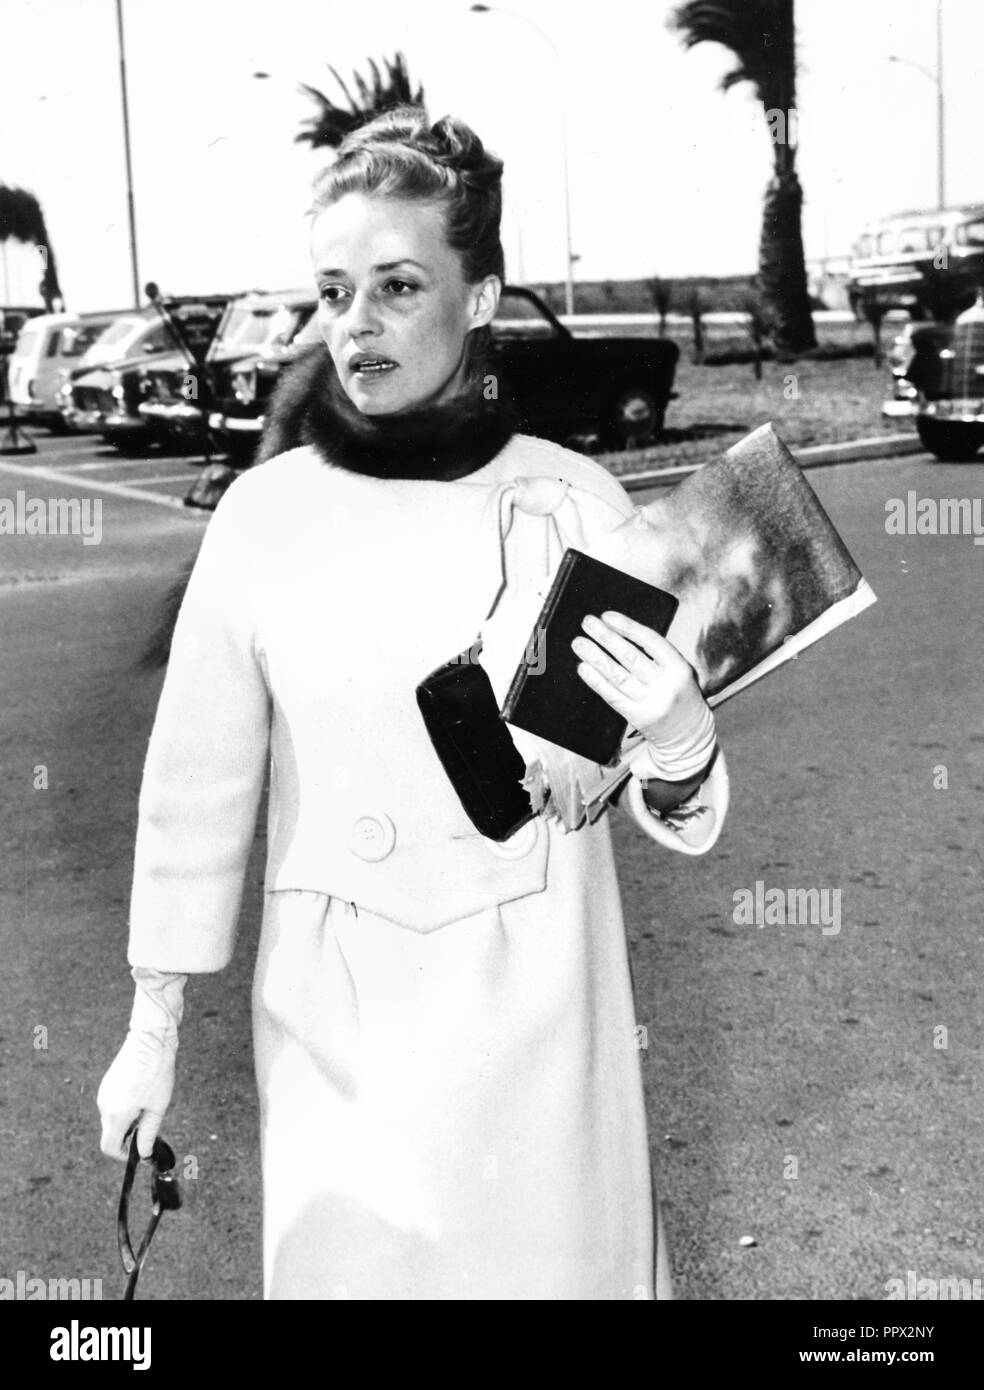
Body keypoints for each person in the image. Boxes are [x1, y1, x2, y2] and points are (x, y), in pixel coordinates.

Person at [97, 107, 729, 1301]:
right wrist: (154, 1028)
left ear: (482, 295)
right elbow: (194, 790)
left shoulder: (582, 503)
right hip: (343, 1046)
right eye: (334, 292)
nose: (358, 324)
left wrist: (681, 737)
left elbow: (670, 802)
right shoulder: (265, 518)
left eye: (397, 284)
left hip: (544, 1026)